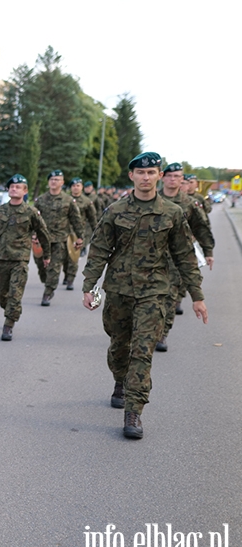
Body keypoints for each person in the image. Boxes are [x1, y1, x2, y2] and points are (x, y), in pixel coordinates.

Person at [82, 152, 207, 440]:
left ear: (159, 176)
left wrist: (197, 296)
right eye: (141, 172)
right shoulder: (115, 211)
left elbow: (185, 256)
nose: (146, 177)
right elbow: (98, 250)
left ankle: (134, 411)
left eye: (152, 172)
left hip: (155, 292)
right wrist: (89, 286)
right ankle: (119, 380)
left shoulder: (172, 213)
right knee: (119, 346)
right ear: (132, 176)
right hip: (119, 291)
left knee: (143, 350)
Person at [0, 174, 51, 341]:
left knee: (15, 294)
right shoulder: (0, 211)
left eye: (18, 187)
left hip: (20, 259)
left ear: (25, 191)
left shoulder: (31, 212)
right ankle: (9, 310)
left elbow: (43, 234)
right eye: (12, 186)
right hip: (1, 258)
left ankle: (9, 324)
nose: (14, 189)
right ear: (8, 189)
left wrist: (46, 255)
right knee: (2, 292)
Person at [156, 163, 214, 352]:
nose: (173, 179)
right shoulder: (151, 199)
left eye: (177, 176)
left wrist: (208, 252)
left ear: (182, 180)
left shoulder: (190, 204)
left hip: (177, 260)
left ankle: (162, 334)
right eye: (170, 176)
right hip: (150, 259)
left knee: (169, 299)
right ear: (163, 177)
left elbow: (201, 228)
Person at [32, 169, 84, 302]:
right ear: (48, 182)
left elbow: (76, 220)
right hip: (42, 239)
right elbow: (32, 220)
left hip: (59, 240)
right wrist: (33, 234)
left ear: (62, 182)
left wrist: (80, 236)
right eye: (51, 180)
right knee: (42, 267)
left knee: (54, 268)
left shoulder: (68, 200)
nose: (54, 182)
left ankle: (48, 292)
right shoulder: (40, 200)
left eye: (57, 180)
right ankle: (47, 282)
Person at [64, 177, 97, 279]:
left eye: (78, 185)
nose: (75, 188)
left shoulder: (87, 201)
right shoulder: (66, 200)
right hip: (64, 231)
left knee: (73, 256)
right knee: (64, 256)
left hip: (78, 232)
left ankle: (71, 278)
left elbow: (92, 218)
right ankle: (66, 273)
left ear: (82, 187)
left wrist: (96, 232)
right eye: (73, 186)